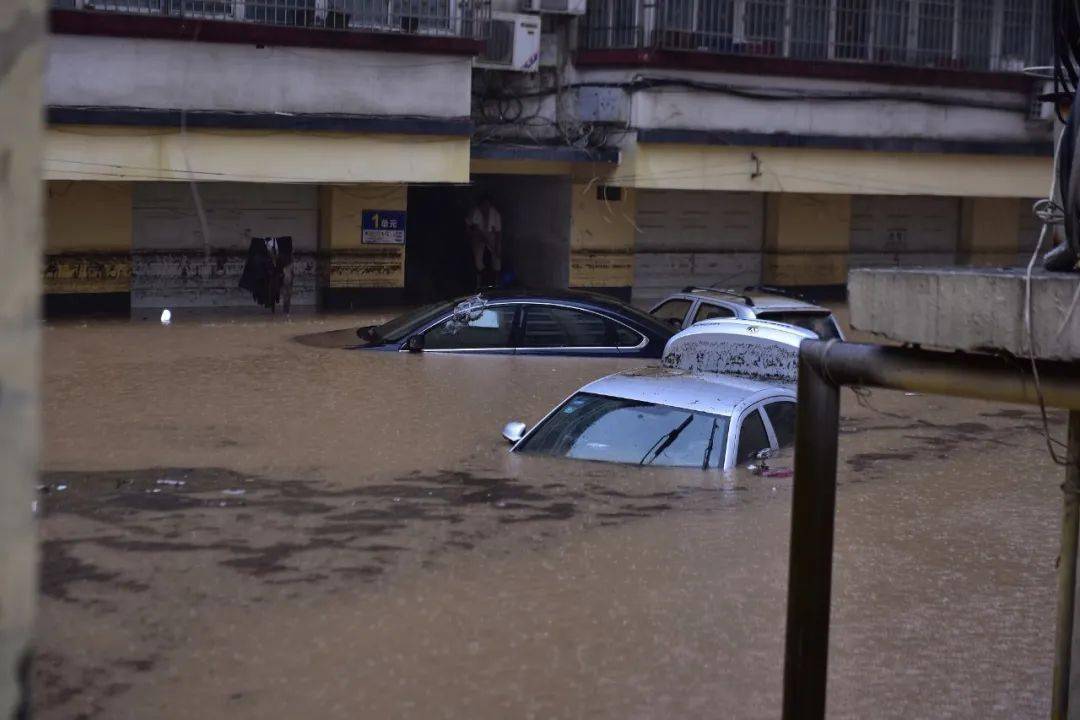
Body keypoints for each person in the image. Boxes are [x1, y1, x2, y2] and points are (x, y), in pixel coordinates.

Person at [465, 195, 502, 289]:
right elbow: (470, 226)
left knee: (497, 257)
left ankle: (497, 282)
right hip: (477, 235)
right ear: (480, 205)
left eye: (487, 205)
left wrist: (496, 248)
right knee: (478, 258)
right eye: (483, 205)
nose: (485, 207)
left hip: (491, 234)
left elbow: (498, 232)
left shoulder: (495, 213)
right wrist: (471, 235)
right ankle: (479, 283)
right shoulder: (475, 211)